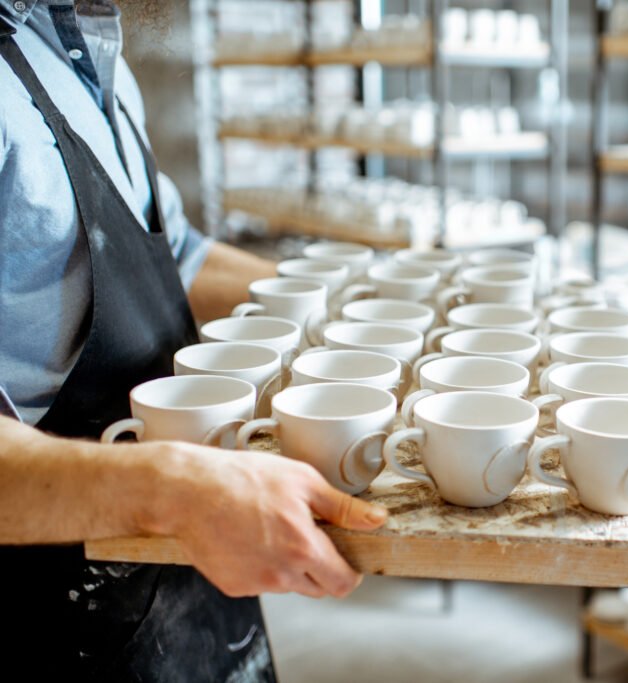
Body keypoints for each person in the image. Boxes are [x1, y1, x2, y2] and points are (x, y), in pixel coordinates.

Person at [0, 1, 387, 679]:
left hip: (187, 578)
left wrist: (354, 300)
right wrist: (175, 487)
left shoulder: (74, 45)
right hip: (55, 613)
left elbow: (177, 253)